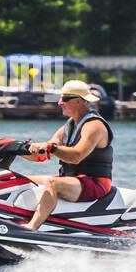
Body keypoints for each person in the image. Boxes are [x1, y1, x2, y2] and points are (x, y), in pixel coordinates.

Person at [24, 79, 114, 230]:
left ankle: (30, 229)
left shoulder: (94, 126)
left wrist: (50, 148)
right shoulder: (69, 126)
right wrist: (13, 147)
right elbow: (43, 155)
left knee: (53, 183)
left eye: (65, 99)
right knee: (21, 179)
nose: (59, 102)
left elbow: (76, 155)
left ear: (79, 101)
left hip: (95, 183)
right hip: (74, 180)